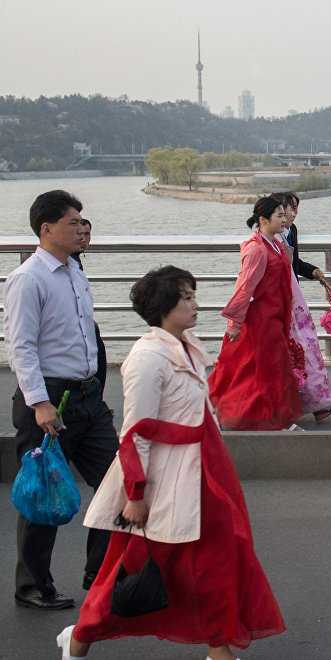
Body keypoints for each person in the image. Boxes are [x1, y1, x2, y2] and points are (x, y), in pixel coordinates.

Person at [59, 266, 285, 660]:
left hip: (204, 470)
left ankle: (218, 647)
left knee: (218, 560)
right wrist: (135, 494)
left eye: (193, 295)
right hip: (167, 478)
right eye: (186, 298)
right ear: (165, 307)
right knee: (138, 566)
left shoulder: (187, 345)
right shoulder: (147, 357)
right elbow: (135, 431)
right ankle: (80, 636)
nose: (195, 304)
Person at [4, 190, 119, 609]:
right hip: (51, 400)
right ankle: (34, 587)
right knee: (43, 495)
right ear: (46, 228)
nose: (82, 229)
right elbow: (21, 347)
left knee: (117, 482)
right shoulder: (28, 278)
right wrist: (39, 403)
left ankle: (102, 574)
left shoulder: (74, 272)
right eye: (73, 222)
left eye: (83, 222)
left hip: (87, 398)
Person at [207, 196, 303, 430]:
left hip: (275, 315)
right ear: (263, 220)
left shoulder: (275, 244)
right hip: (260, 319)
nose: (284, 219)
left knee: (268, 367)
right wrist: (234, 323)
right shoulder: (256, 249)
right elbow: (245, 287)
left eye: (284, 215)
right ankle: (259, 416)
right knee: (261, 368)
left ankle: (270, 416)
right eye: (279, 215)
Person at [275, 192, 331, 423]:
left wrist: (313, 271)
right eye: (290, 208)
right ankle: (295, 406)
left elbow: (294, 264)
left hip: (294, 301)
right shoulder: (268, 237)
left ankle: (320, 403)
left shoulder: (291, 231)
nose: (294, 214)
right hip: (279, 304)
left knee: (305, 350)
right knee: (291, 354)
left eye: (296, 209)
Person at [69, 217, 107, 396]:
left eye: (87, 234)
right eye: (79, 234)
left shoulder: (73, 260)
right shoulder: (69, 261)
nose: (83, 238)